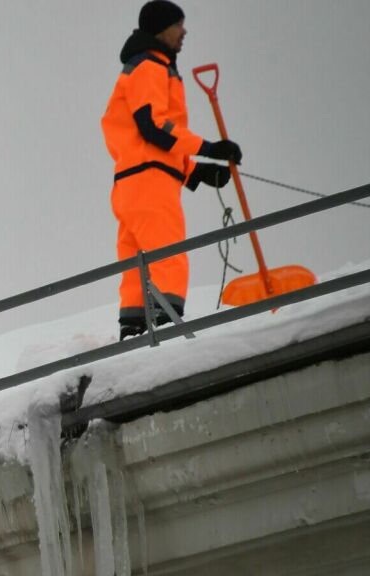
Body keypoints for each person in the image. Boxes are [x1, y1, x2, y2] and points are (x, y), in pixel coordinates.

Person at [101, 0, 242, 341]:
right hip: (151, 183)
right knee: (167, 254)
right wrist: (208, 148)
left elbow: (147, 142)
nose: (184, 32)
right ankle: (169, 329)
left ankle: (133, 330)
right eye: (179, 25)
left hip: (131, 182)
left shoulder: (140, 67)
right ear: (161, 28)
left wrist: (196, 173)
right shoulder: (150, 67)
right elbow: (153, 127)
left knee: (136, 262)